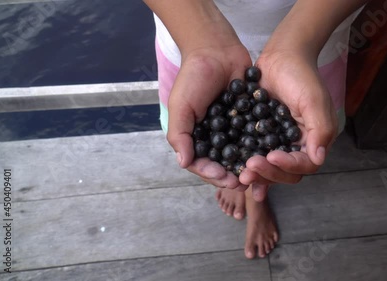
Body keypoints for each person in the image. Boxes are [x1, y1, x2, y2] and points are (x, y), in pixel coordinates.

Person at [144, 0, 366, 259]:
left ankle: (253, 192)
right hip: (187, 34)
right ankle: (242, 182)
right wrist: (200, 38)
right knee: (206, 129)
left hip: (313, 42)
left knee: (278, 150)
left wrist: (299, 41)